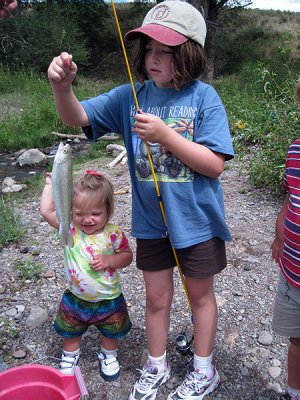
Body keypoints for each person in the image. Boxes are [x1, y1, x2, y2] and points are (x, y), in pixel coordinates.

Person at [47, 1, 234, 399]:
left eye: (165, 52)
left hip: (197, 222)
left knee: (200, 297)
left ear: (189, 54)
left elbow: (214, 165)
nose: (153, 58)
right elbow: (76, 117)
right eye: (148, 49)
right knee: (155, 298)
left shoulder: (205, 98)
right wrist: (62, 88)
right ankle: (156, 363)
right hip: (151, 224)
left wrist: (167, 136)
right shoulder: (129, 96)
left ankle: (204, 369)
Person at [40, 170, 133, 381]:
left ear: (108, 211)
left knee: (111, 331)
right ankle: (70, 355)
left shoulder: (114, 233)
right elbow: (47, 211)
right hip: (76, 296)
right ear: (70, 211)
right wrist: (50, 185)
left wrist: (110, 261)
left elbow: (127, 257)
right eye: (79, 213)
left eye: (95, 213)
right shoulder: (69, 229)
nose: (87, 219)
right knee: (71, 330)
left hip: (109, 297)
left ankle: (108, 354)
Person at [271, 79, 300, 400]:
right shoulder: (295, 149)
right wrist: (279, 235)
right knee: (296, 340)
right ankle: (294, 391)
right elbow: (290, 197)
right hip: (292, 270)